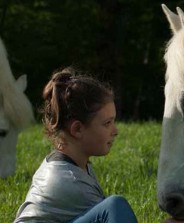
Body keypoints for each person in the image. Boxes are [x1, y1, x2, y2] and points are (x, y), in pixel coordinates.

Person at [14, 67, 138, 223]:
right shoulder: (70, 180)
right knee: (115, 206)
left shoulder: (71, 165)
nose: (115, 131)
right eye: (107, 123)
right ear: (77, 129)